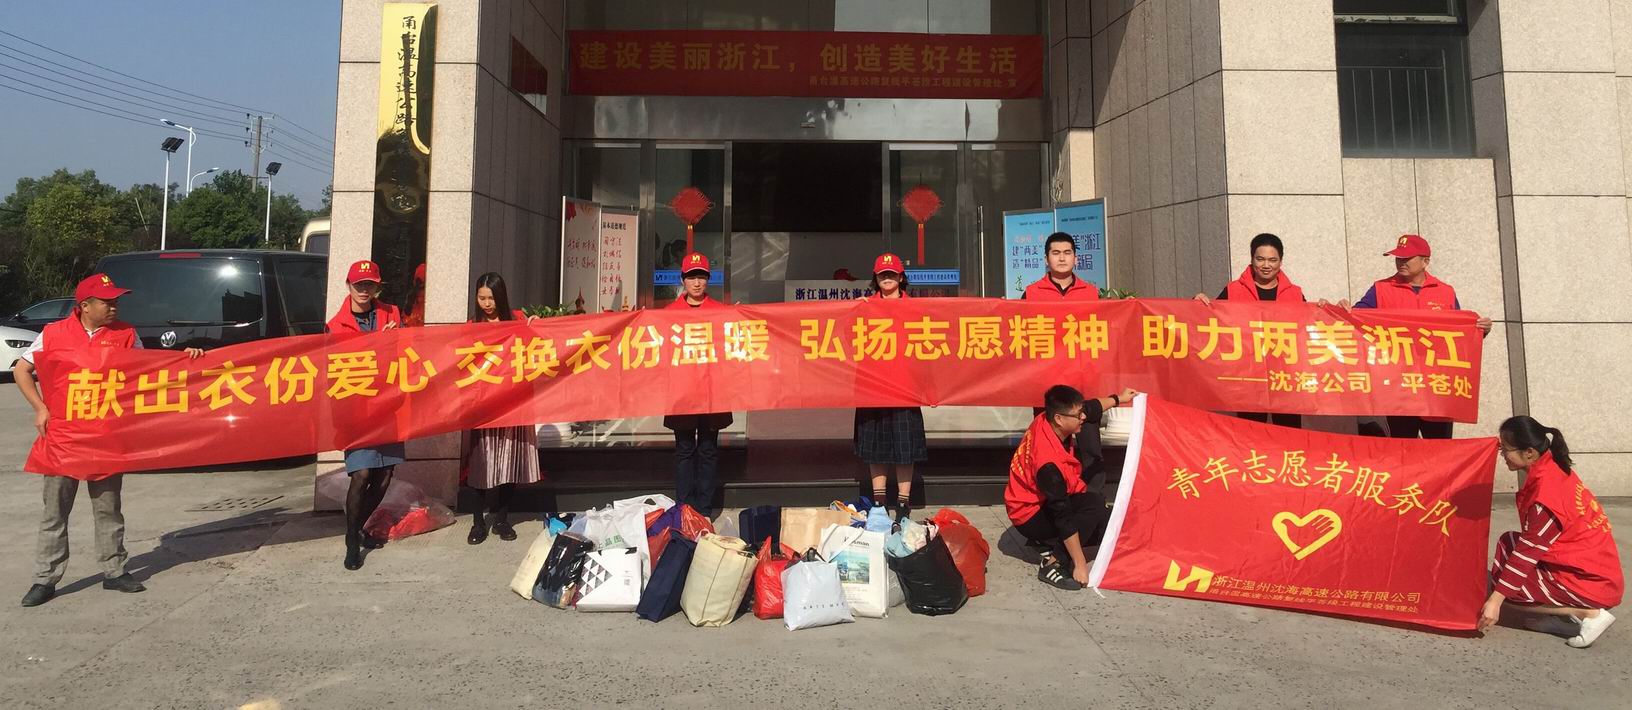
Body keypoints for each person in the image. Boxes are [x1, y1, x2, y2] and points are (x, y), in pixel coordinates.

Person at [15, 273, 203, 607]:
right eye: (107, 301)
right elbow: (21, 369)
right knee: (55, 511)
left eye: (116, 301)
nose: (114, 307)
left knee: (108, 508)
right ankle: (45, 578)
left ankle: (114, 571)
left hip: (105, 436)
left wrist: (183, 359)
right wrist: (40, 408)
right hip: (63, 437)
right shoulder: (54, 333)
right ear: (85, 306)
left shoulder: (125, 334)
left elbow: (148, 371)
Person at [1479, 416, 1622, 648]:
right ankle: (1563, 619)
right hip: (1591, 568)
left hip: (1591, 582)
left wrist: (1496, 601)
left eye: (1505, 449)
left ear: (1529, 453)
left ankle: (1588, 613)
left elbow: (1528, 554)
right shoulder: (1554, 467)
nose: (1502, 455)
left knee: (1505, 590)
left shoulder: (1546, 496)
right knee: (1509, 543)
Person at [1344, 234, 1492, 439]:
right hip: (1398, 385)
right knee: (1403, 447)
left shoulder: (1445, 292)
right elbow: (1356, 319)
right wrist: (1341, 310)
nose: (1401, 262)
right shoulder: (1381, 289)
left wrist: (1480, 330)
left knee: (1439, 447)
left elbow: (1459, 334)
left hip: (1437, 386)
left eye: (1407, 258)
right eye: (1398, 258)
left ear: (1425, 261)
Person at [1006, 384, 1138, 591]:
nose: (1083, 417)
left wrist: (1119, 399)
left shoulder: (1050, 420)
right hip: (1029, 515)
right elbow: (1063, 516)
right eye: (1078, 415)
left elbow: (1091, 408)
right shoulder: (1048, 464)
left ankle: (1047, 541)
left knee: (1111, 526)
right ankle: (1053, 563)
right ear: (1059, 419)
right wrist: (1079, 563)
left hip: (1044, 499)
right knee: (1094, 504)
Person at [326, 259, 405, 571]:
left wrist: (396, 338)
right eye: (359, 284)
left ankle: (358, 527)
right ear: (348, 285)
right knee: (361, 475)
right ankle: (351, 540)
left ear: (377, 287)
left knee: (384, 476)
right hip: (355, 411)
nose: (364, 290)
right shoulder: (335, 325)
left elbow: (410, 350)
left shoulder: (392, 314)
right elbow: (330, 368)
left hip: (387, 407)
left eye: (369, 284)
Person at [1194, 232, 1306, 429]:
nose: (1266, 265)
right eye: (1260, 259)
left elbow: (1311, 325)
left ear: (1281, 261)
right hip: (1248, 377)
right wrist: (1197, 303)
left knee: (1289, 433)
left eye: (1272, 260)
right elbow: (1210, 320)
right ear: (1252, 259)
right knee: (1249, 433)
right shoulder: (1233, 290)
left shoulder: (1295, 293)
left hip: (1284, 378)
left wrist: (1328, 309)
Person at [461, 272, 542, 545]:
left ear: (501, 297)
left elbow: (537, 349)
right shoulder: (472, 326)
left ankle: (502, 519)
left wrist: (537, 327)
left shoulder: (517, 320)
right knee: (480, 465)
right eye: (481, 298)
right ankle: (477, 522)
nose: (486, 304)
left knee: (510, 462)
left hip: (513, 403)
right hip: (484, 405)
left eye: (491, 298)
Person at [854, 253, 926, 520]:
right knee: (876, 447)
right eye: (882, 274)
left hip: (906, 386)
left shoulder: (916, 308)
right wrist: (857, 311)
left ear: (901, 278)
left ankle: (904, 503)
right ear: (875, 278)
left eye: (892, 274)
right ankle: (879, 502)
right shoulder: (864, 307)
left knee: (905, 449)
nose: (887, 278)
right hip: (872, 387)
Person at [663, 252, 732, 513]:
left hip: (712, 391)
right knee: (684, 449)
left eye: (701, 276)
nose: (697, 282)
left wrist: (740, 317)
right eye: (691, 276)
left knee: (707, 449)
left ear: (708, 279)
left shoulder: (721, 312)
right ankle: (685, 508)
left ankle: (703, 509)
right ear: (683, 279)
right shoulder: (668, 314)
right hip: (682, 393)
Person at [1021, 232, 1101, 301]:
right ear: (1046, 260)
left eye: (1067, 253)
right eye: (1056, 253)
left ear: (1075, 259)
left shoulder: (1091, 293)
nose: (1062, 259)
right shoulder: (1031, 293)